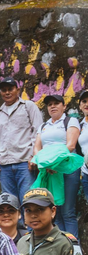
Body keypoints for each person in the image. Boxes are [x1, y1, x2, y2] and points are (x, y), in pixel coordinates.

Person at [34, 93, 80, 234]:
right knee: (55, 212)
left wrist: (54, 164)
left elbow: (71, 145)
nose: (52, 106)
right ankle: (61, 249)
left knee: (67, 211)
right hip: (48, 171)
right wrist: (45, 165)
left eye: (56, 103)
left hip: (66, 168)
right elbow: (37, 148)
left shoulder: (70, 121)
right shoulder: (43, 126)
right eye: (49, 104)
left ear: (64, 106)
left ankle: (74, 250)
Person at [0, 77, 42, 200]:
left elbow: (38, 131)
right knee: (10, 205)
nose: (7, 92)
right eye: (4, 90)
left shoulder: (28, 106)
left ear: (18, 90)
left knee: (28, 201)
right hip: (4, 165)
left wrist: (34, 156)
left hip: (25, 163)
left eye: (10, 89)